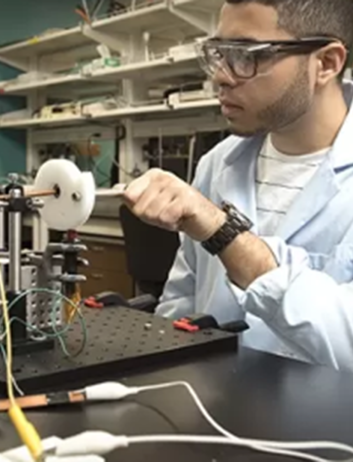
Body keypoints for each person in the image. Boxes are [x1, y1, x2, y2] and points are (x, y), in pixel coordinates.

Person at [123, 0, 353, 370]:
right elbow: (181, 305)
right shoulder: (217, 164)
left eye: (248, 56)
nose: (221, 76)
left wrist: (226, 235)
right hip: (209, 398)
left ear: (326, 63)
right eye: (219, 54)